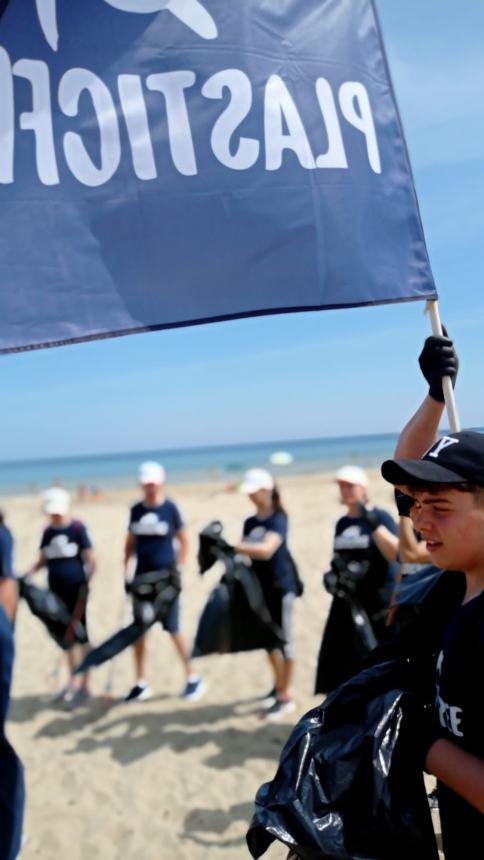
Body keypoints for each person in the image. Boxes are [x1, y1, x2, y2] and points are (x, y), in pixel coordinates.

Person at [380, 332, 484, 858]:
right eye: (416, 504)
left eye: (437, 506)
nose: (418, 518)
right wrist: (436, 398)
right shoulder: (459, 584)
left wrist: (422, 743)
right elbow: (406, 471)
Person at [124, 461, 204, 702]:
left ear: (160, 483)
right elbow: (129, 543)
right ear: (141, 484)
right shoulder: (136, 510)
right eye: (146, 484)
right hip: (141, 579)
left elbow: (184, 540)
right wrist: (125, 571)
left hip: (166, 580)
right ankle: (141, 682)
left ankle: (193, 677)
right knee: (139, 632)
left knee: (173, 628)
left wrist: (180, 567)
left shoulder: (170, 508)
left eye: (153, 484)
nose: (150, 488)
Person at [314, 465, 399, 694]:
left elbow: (395, 554)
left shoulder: (380, 516)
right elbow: (339, 558)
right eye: (341, 486)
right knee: (347, 658)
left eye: (350, 485)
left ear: (363, 488)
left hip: (379, 601)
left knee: (379, 656)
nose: (345, 490)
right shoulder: (342, 523)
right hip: (350, 603)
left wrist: (373, 524)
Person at [235, 468, 300, 721]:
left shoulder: (278, 519)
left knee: (286, 642)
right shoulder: (250, 522)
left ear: (267, 490)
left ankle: (286, 695)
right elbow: (246, 550)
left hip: (281, 588)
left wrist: (233, 546)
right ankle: (278, 684)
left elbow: (266, 550)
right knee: (268, 640)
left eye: (254, 492)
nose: (250, 497)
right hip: (259, 590)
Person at [29, 487, 96, 704]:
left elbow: (91, 559)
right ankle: (73, 681)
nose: (55, 516)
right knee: (66, 638)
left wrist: (88, 580)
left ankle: (85, 685)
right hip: (55, 591)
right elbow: (43, 559)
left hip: (76, 591)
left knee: (80, 636)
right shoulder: (48, 532)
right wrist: (29, 574)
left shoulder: (77, 529)